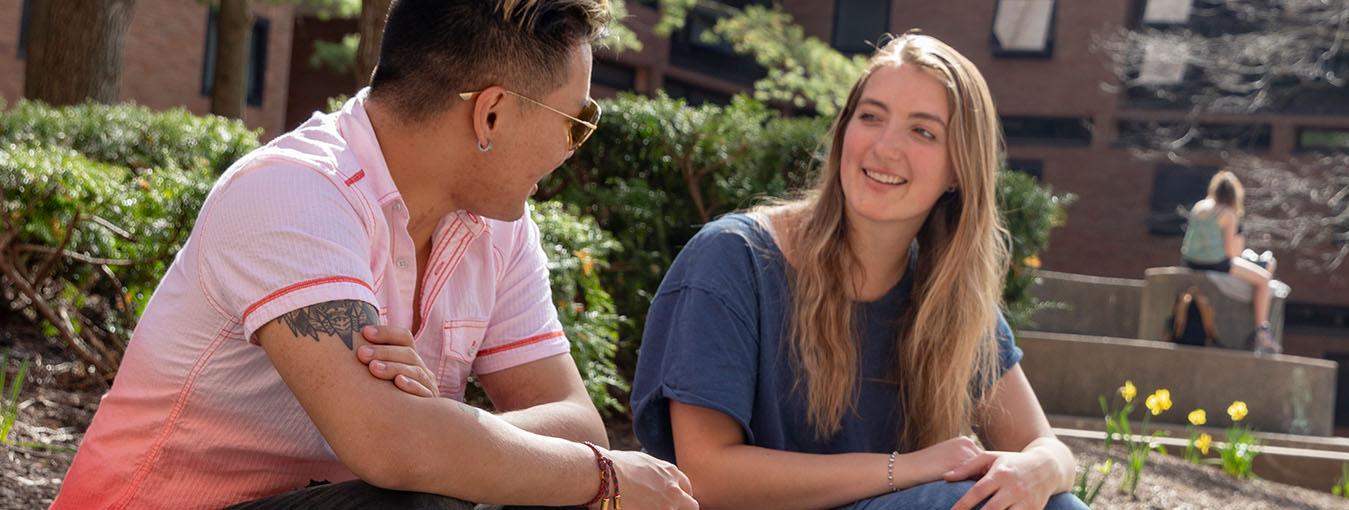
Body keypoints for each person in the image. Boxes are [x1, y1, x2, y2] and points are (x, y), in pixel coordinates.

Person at [52, 1, 695, 508]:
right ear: (492, 115)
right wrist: (601, 478)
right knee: (433, 498)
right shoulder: (293, 191)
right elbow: (391, 450)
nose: (571, 148)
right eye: (576, 123)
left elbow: (578, 425)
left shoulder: (498, 228)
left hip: (334, 501)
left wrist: (441, 427)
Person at [628, 34, 1087, 510]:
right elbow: (705, 476)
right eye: (870, 117)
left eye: (923, 131)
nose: (884, 147)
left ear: (958, 172)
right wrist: (906, 468)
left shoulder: (950, 298)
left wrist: (1041, 467)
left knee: (1053, 504)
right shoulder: (734, 258)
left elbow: (1046, 447)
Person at [1179, 170, 1280, 352]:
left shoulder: (1199, 206)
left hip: (1191, 261)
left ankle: (1261, 333)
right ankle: (1261, 332)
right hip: (1216, 263)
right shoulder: (1228, 214)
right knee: (1264, 278)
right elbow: (1231, 253)